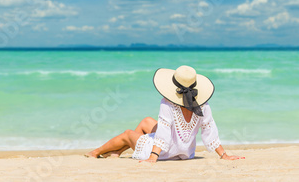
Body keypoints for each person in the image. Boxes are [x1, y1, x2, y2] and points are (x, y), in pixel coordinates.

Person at [86, 65, 245, 162]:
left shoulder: (168, 102)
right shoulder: (203, 104)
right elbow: (209, 130)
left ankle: (95, 152)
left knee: (128, 134)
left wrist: (153, 157)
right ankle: (117, 152)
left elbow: (163, 130)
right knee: (146, 122)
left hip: (164, 152)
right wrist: (223, 155)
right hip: (186, 152)